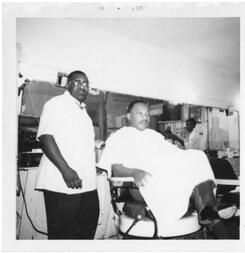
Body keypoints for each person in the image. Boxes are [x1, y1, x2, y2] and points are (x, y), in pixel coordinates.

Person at [98, 100, 215, 234]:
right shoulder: (118, 137)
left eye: (147, 114)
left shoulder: (154, 136)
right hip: (141, 184)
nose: (145, 117)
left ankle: (210, 209)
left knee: (198, 156)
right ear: (129, 116)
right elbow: (116, 169)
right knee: (164, 166)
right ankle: (210, 211)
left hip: (167, 178)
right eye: (140, 113)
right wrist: (135, 172)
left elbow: (177, 154)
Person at [35, 70, 99, 239]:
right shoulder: (57, 104)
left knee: (86, 230)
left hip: (87, 184)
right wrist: (66, 171)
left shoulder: (82, 112)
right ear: (68, 84)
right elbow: (45, 137)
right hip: (62, 182)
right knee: (62, 237)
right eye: (77, 82)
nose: (83, 86)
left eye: (86, 83)